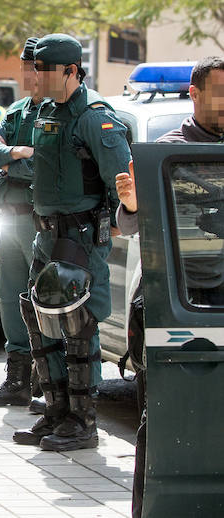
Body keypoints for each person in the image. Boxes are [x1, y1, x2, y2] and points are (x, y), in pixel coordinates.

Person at [116, 56, 224, 518]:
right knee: (165, 427)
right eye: (220, 92)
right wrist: (132, 204)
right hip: (187, 305)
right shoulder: (168, 152)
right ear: (195, 95)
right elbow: (129, 224)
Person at [12, 34, 131, 452]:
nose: (37, 76)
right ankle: (56, 411)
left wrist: (111, 225)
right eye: (36, 68)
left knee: (79, 324)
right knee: (39, 317)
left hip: (80, 236)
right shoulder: (45, 111)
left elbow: (123, 184)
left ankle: (83, 422)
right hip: (46, 235)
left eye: (45, 70)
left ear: (71, 72)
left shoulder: (95, 118)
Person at [0, 37, 42, 408]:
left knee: (43, 302)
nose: (25, 74)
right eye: (23, 66)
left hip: (38, 221)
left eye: (31, 67)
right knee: (10, 300)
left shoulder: (53, 111)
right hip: (10, 221)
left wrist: (10, 161)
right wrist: (14, 152)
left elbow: (45, 165)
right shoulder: (17, 111)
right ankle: (16, 378)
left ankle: (47, 383)